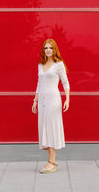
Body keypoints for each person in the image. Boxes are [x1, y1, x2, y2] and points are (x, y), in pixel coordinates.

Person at [32, 38, 70, 174]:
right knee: (44, 128)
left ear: (54, 50)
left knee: (51, 128)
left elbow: (65, 83)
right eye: (46, 48)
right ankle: (51, 161)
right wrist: (35, 100)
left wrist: (67, 99)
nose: (48, 50)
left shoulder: (58, 64)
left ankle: (52, 162)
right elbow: (39, 83)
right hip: (42, 101)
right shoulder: (40, 65)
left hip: (53, 100)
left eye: (50, 48)